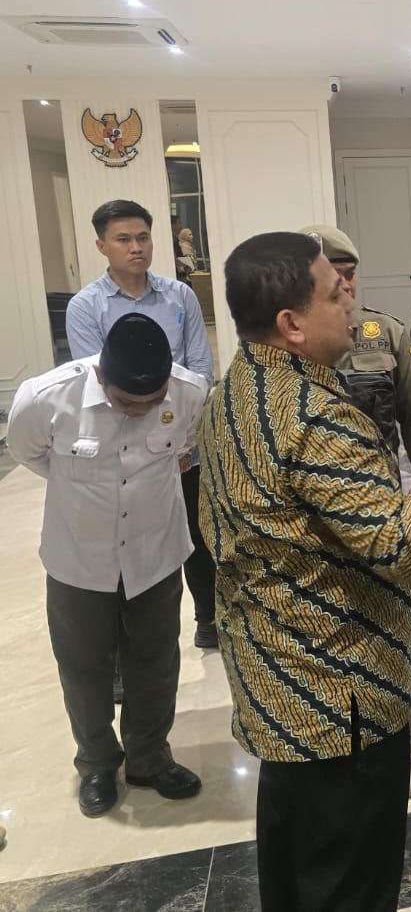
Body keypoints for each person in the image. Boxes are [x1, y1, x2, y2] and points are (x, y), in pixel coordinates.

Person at [197, 231, 411, 912]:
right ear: (291, 323)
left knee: (298, 879)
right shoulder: (314, 416)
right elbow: (400, 544)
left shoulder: (229, 392)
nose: (352, 301)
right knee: (348, 886)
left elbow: (215, 529)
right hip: (339, 705)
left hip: (277, 689)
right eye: (335, 293)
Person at [8, 313, 208, 818]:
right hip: (79, 558)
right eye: (127, 403)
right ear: (101, 375)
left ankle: (149, 759)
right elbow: (29, 454)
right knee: (83, 666)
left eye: (152, 402)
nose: (141, 411)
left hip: (155, 553)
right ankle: (97, 764)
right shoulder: (46, 398)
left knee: (155, 660)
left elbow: (185, 449)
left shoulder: (190, 392)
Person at [300, 223, 411, 798]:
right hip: (309, 519)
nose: (345, 286)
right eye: (332, 276)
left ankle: (404, 727)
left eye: (350, 274)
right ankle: (329, 729)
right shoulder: (286, 339)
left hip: (378, 509)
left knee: (394, 617)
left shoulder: (385, 334)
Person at [65, 199, 218, 653]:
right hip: (122, 451)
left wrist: (180, 440)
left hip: (184, 446)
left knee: (197, 533)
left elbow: (200, 372)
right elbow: (99, 383)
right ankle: (124, 648)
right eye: (123, 239)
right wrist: (154, 437)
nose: (136, 247)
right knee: (126, 543)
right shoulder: (86, 307)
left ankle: (209, 620)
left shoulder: (179, 297)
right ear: (102, 245)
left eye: (143, 237)